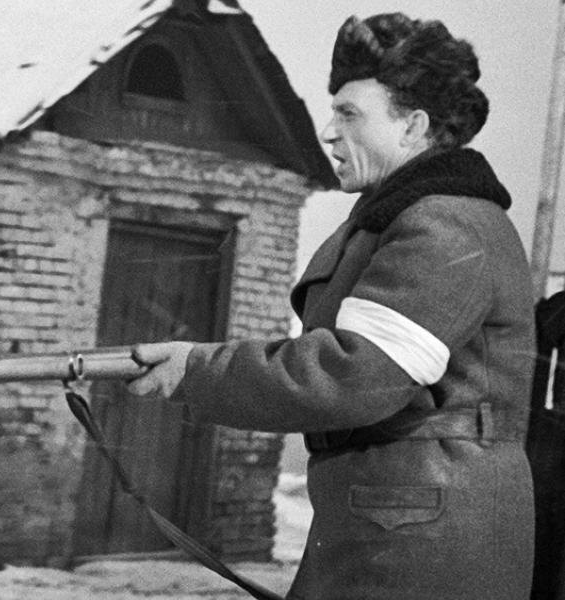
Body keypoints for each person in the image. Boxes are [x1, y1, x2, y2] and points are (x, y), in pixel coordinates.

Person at [128, 13, 534, 600]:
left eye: (349, 114)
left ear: (413, 126)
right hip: (396, 518)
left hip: (422, 538)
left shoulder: (445, 222)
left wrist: (196, 369)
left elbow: (353, 374)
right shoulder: (404, 218)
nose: (328, 132)